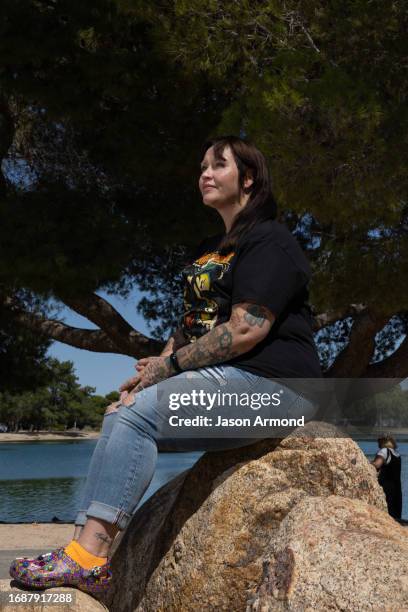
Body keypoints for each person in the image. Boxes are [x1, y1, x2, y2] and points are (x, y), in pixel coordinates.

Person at [10, 136, 322, 595]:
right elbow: (192, 326)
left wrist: (169, 367)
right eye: (202, 167)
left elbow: (245, 329)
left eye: (218, 165)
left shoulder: (269, 239)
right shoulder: (209, 247)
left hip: (276, 387)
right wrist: (151, 370)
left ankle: (89, 558)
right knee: (122, 412)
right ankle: (81, 549)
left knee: (138, 417)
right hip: (228, 378)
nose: (205, 174)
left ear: (249, 179)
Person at [371, 435, 402, 521]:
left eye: (379, 442)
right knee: (395, 516)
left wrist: (366, 462)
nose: (378, 444)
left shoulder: (384, 451)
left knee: (385, 515)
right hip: (397, 489)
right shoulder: (397, 454)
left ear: (382, 442)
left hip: (386, 488)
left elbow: (377, 464)